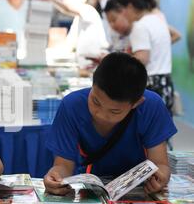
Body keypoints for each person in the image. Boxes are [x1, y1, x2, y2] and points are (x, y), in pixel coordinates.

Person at [44, 52, 176, 196]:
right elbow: (63, 165)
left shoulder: (151, 106)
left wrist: (160, 177)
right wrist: (55, 176)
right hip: (89, 192)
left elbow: (160, 164)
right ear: (92, 84)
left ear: (136, 103)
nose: (100, 114)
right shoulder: (72, 106)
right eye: (95, 101)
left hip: (139, 190)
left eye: (114, 111)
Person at [117, 0, 174, 113]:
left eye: (122, 10)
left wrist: (120, 61)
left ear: (130, 6)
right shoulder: (157, 20)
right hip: (165, 84)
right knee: (161, 129)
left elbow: (142, 58)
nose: (123, 15)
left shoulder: (140, 26)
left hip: (150, 87)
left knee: (145, 130)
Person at [40, 0, 109, 65]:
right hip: (84, 63)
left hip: (95, 63)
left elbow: (67, 9)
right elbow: (69, 45)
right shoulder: (78, 18)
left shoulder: (88, 11)